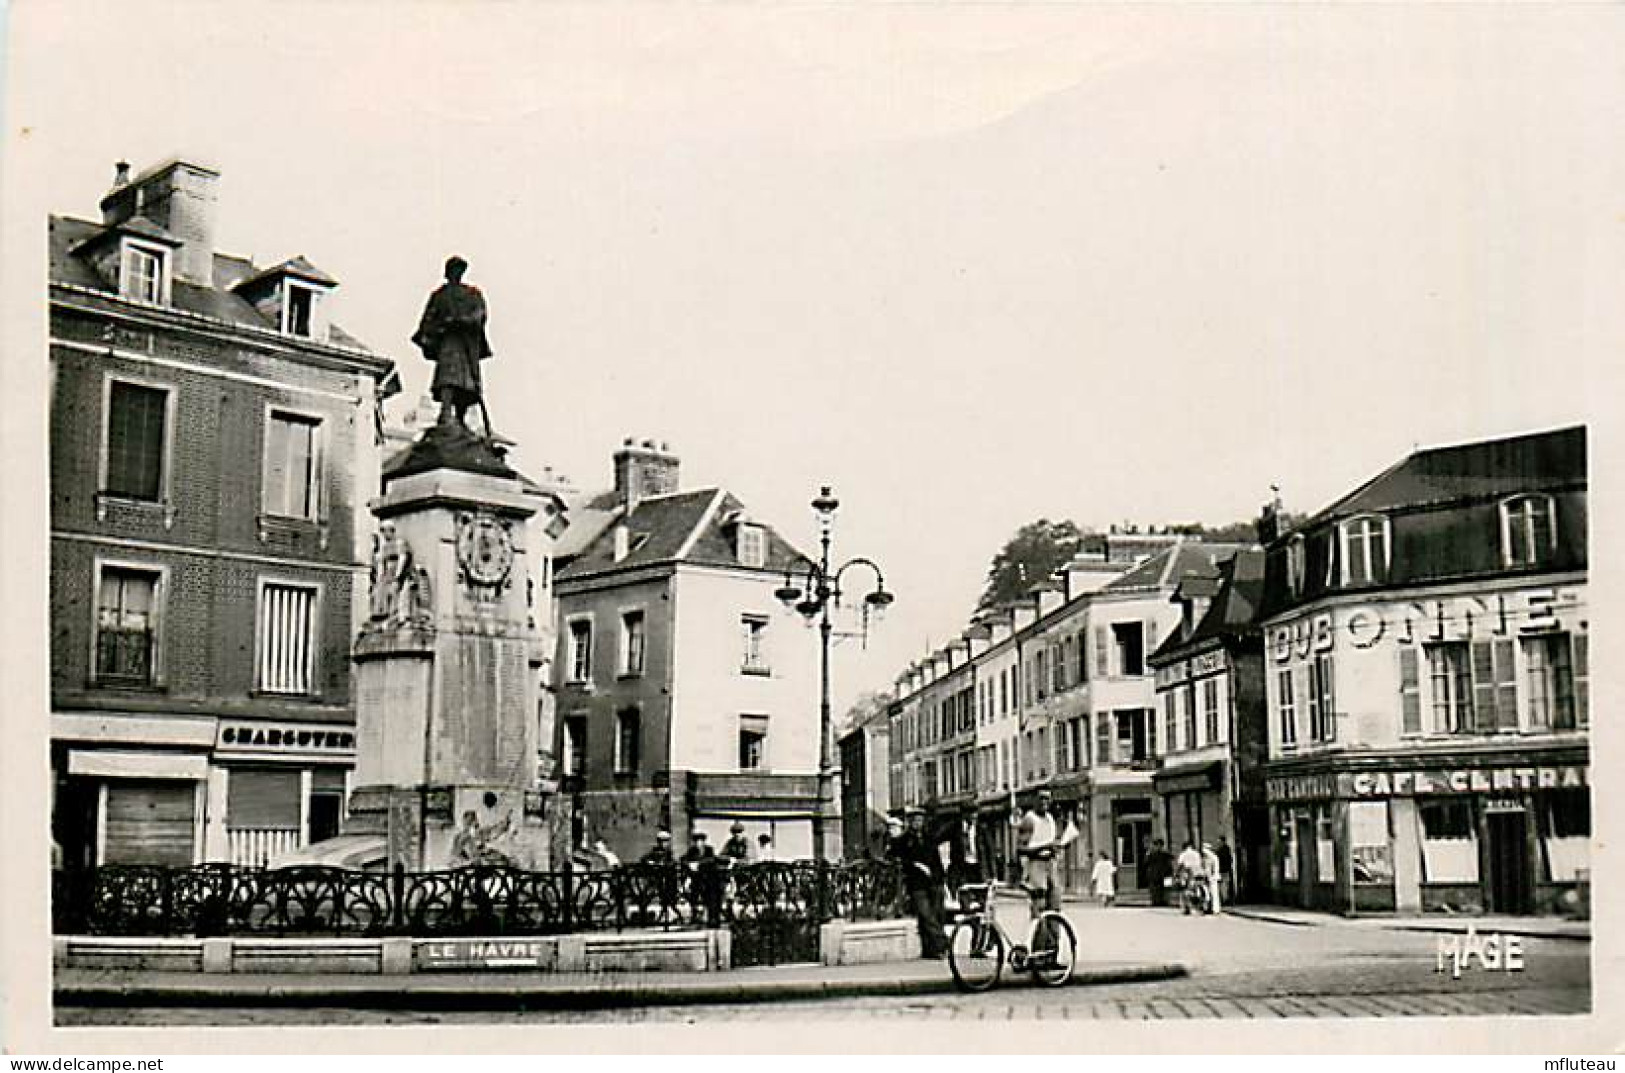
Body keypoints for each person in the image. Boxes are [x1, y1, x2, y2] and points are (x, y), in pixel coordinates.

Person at [412, 255, 494, 432]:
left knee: (467, 381)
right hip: (448, 340)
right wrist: (440, 328)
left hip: (467, 342)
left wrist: (464, 320)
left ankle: (460, 417)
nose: (455, 274)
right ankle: (446, 412)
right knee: (448, 377)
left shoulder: (473, 294)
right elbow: (428, 321)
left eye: (459, 270)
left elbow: (479, 313)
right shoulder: (439, 295)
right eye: (453, 270)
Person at [890, 809, 948, 959]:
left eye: (920, 820)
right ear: (910, 822)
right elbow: (899, 859)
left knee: (936, 914)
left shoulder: (929, 838)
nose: (918, 823)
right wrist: (916, 865)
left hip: (934, 881)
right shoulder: (904, 840)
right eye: (915, 820)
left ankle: (932, 950)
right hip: (917, 883)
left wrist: (941, 879)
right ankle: (943, 941)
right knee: (926, 914)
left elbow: (937, 860)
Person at [1014, 791, 1062, 912]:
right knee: (1039, 903)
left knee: (1055, 903)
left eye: (1047, 799)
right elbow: (1020, 848)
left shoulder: (1050, 818)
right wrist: (1045, 847)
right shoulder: (1029, 819)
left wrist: (1056, 847)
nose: (1044, 802)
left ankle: (1054, 930)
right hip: (1036, 864)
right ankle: (1040, 930)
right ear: (1034, 800)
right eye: (1041, 798)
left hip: (1051, 864)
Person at [948, 809, 983, 892]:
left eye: (975, 814)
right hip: (962, 869)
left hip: (978, 869)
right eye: (971, 814)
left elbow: (990, 851)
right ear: (964, 815)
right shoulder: (955, 828)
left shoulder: (981, 829)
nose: (974, 817)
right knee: (964, 896)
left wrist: (994, 875)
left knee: (981, 899)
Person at [1175, 840, 1204, 915]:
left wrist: (1177, 874)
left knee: (1186, 890)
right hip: (1198, 873)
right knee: (1197, 890)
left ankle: (1187, 907)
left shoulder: (1183, 854)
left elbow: (1180, 865)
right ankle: (1198, 907)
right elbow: (1200, 863)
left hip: (1188, 873)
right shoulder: (1197, 854)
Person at [1143, 838, 1174, 908]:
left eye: (1156, 845)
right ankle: (1162, 901)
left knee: (1157, 889)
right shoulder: (1165, 854)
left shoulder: (1152, 854)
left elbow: (1146, 863)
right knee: (1163, 889)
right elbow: (1171, 860)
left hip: (1157, 874)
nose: (1156, 847)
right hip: (1163, 874)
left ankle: (1157, 901)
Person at [1201, 841, 1224, 914]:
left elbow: (1215, 868)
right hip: (1207, 877)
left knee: (1214, 893)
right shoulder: (1206, 858)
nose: (1204, 852)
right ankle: (1208, 908)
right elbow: (1204, 867)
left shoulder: (1214, 857)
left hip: (1213, 878)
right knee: (1208, 894)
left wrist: (1213, 876)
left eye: (1205, 850)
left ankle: (1216, 909)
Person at [1216, 836, 1236, 905]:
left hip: (1223, 870)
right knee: (1225, 885)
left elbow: (1226, 860)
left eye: (1219, 841)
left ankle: (1225, 900)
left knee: (1224, 886)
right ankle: (1226, 899)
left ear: (1222, 841)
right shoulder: (1226, 849)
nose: (1218, 843)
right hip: (1225, 870)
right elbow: (1230, 859)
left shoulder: (1222, 850)